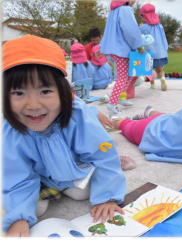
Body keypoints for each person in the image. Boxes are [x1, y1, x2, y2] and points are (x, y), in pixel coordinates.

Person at [3, 35, 126, 237]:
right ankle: (45, 190)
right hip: (43, 175)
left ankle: (61, 188)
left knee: (84, 193)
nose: (33, 105)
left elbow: (103, 155)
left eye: (45, 91)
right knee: (28, 210)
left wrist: (107, 197)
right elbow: (16, 174)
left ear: (63, 91)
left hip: (74, 169)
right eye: (18, 93)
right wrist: (18, 217)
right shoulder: (10, 130)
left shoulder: (79, 116)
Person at [100, 0, 145, 114]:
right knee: (123, 77)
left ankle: (121, 97)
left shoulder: (114, 11)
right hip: (121, 49)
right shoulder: (125, 10)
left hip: (115, 48)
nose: (135, 2)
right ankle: (112, 103)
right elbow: (130, 30)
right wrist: (139, 45)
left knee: (129, 75)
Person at [139, 3, 169, 91]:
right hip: (160, 52)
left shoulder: (143, 28)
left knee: (149, 70)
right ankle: (163, 79)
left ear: (144, 16)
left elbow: (138, 38)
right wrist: (165, 48)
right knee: (160, 70)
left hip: (149, 53)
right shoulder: (160, 26)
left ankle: (152, 85)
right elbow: (164, 38)